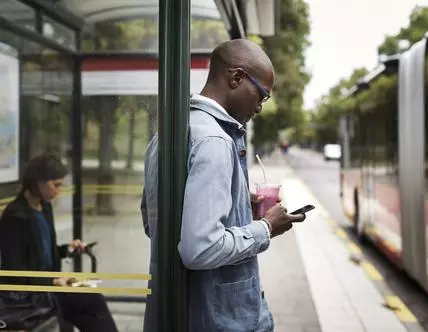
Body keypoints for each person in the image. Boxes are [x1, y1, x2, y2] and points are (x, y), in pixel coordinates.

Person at [141, 39, 306, 331]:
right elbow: (200, 249)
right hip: (216, 320)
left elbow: (153, 222)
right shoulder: (215, 142)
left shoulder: (167, 133)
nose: (260, 108)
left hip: (175, 314)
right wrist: (266, 227)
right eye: (262, 94)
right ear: (236, 77)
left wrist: (240, 209)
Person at [0, 153, 118, 332]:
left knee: (91, 304)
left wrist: (67, 249)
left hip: (49, 289)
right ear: (38, 182)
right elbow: (14, 271)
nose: (58, 191)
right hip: (31, 296)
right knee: (92, 303)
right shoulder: (14, 217)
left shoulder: (45, 208)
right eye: (55, 185)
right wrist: (52, 281)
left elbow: (43, 252)